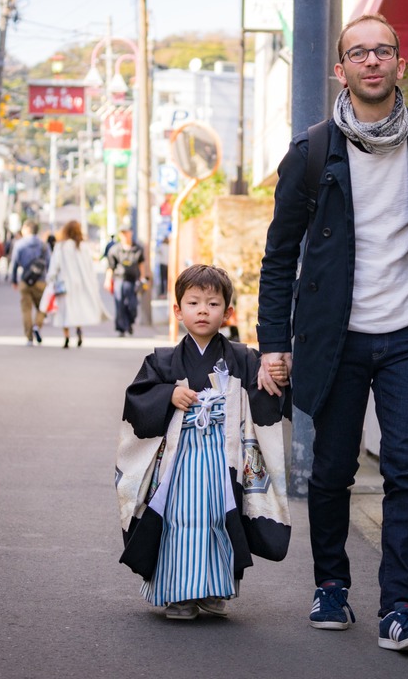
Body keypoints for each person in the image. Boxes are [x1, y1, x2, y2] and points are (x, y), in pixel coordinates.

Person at [256, 13, 408, 653]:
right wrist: (273, 342)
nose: (370, 62)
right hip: (336, 337)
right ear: (341, 69)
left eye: (382, 50)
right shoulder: (311, 154)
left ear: (398, 62)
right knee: (330, 473)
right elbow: (279, 258)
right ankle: (331, 583)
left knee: (407, 471)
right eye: (357, 53)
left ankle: (400, 610)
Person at [116, 264, 291, 620]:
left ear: (227, 313)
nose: (202, 311)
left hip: (223, 460)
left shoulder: (243, 358)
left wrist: (277, 375)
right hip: (179, 464)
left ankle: (213, 589)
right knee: (179, 520)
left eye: (212, 304)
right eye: (193, 303)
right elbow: (138, 398)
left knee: (218, 519)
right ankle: (179, 594)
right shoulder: (162, 360)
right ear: (178, 310)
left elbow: (265, 391)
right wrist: (168, 394)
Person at [45, 220, 109, 348]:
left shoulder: (61, 246)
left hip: (65, 284)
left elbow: (54, 267)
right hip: (81, 284)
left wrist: (50, 279)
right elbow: (90, 268)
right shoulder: (84, 247)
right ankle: (79, 330)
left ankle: (67, 337)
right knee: (78, 309)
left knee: (65, 311)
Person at [9, 220, 51, 345]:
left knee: (26, 309)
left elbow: (14, 264)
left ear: (27, 229)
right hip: (41, 281)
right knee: (43, 307)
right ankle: (37, 326)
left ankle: (29, 337)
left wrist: (14, 280)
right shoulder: (44, 245)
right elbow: (49, 264)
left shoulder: (19, 244)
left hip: (25, 280)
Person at [104, 224, 147, 336]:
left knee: (132, 305)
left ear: (131, 233)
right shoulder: (115, 250)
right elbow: (110, 267)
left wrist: (142, 279)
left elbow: (141, 264)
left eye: (126, 232)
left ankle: (130, 323)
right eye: (122, 233)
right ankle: (121, 328)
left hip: (133, 281)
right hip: (119, 280)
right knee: (120, 305)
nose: (124, 235)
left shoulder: (137, 249)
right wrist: (108, 280)